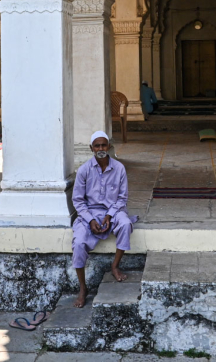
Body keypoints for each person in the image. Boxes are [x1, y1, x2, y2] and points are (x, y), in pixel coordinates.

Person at [71, 130, 137, 308]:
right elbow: (78, 200)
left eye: (104, 145)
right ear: (91, 148)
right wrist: (91, 219)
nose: (101, 148)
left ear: (108, 146)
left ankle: (115, 266)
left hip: (113, 211)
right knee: (78, 243)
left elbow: (122, 198)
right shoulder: (84, 170)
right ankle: (83, 288)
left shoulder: (119, 168)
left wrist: (109, 215)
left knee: (125, 224)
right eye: (97, 145)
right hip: (89, 213)